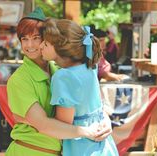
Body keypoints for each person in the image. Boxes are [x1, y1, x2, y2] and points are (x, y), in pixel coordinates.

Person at [6, 7, 112, 156]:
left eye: (36, 38)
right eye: (24, 39)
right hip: (30, 151)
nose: (30, 45)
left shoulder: (62, 71)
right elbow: (43, 125)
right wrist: (86, 131)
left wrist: (106, 121)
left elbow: (93, 105)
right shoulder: (19, 79)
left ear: (48, 40)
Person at [40, 18, 119, 156]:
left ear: (60, 48)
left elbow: (64, 126)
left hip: (82, 148)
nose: (40, 46)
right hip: (104, 146)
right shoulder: (90, 67)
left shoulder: (64, 77)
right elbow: (99, 106)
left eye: (45, 43)